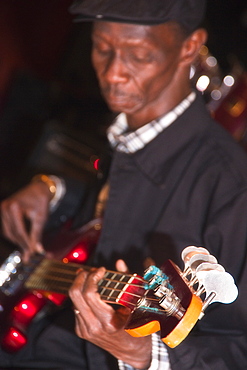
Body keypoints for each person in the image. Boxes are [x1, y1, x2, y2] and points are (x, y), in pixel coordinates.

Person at [1, 0, 247, 369]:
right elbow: (120, 211)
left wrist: (144, 354)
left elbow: (238, 349)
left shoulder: (232, 187)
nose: (113, 72)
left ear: (189, 47)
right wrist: (54, 191)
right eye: (102, 48)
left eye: (140, 55)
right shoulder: (132, 133)